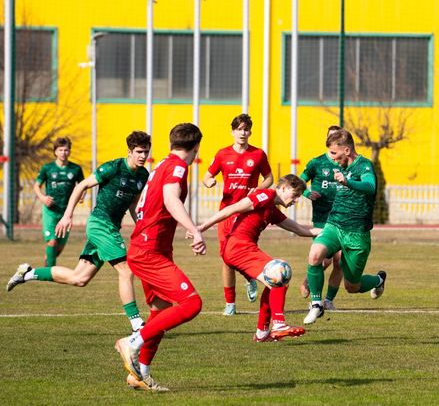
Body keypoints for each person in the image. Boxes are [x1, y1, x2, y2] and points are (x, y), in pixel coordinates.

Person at [7, 131, 151, 333]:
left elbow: (134, 204)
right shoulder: (114, 167)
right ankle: (137, 324)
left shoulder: (143, 175)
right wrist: (67, 215)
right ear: (130, 151)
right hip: (100, 224)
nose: (143, 156)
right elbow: (82, 185)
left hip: (111, 227)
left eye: (146, 152)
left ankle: (28, 273)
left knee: (79, 278)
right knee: (126, 271)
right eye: (139, 152)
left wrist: (141, 226)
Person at [115, 123, 206, 392]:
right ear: (196, 147)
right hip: (149, 251)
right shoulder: (178, 167)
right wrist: (194, 230)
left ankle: (140, 374)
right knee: (192, 304)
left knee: (160, 311)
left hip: (147, 247)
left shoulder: (162, 165)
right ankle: (132, 342)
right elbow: (170, 199)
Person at [196, 174, 320, 342]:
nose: (296, 200)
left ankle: (262, 333)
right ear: (283, 188)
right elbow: (231, 209)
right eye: (295, 195)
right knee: (279, 272)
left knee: (278, 282)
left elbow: (301, 230)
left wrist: (332, 231)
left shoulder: (272, 209)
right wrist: (201, 228)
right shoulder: (266, 195)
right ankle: (279, 324)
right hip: (238, 247)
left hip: (242, 248)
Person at [303, 128, 386, 325]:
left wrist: (348, 182)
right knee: (315, 255)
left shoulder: (364, 165)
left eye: (334, 153)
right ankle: (317, 305)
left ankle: (378, 280)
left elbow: (370, 186)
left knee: (352, 286)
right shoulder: (336, 165)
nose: (332, 158)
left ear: (347, 150)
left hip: (357, 233)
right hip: (334, 224)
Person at [203, 113, 273, 316]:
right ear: (232, 131)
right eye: (239, 129)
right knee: (226, 258)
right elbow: (207, 176)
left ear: (250, 132)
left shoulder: (258, 154)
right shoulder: (222, 154)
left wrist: (258, 189)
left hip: (247, 212)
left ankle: (248, 280)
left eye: (246, 129)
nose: (242, 133)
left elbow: (269, 178)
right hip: (226, 212)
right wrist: (209, 182)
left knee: (237, 254)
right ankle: (231, 303)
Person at [299, 125, 344, 311]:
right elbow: (300, 181)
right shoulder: (316, 163)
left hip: (343, 218)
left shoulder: (348, 163)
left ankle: (328, 300)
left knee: (340, 262)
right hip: (321, 219)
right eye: (331, 137)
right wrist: (307, 193)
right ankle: (310, 278)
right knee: (323, 260)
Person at [33, 137, 85, 267]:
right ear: (55, 151)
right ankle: (50, 272)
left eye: (66, 150)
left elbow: (83, 186)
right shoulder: (47, 168)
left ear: (69, 151)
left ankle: (47, 263)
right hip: (50, 211)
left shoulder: (75, 169)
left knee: (59, 247)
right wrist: (43, 198)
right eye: (60, 150)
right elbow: (36, 185)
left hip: (66, 213)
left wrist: (82, 196)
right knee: (52, 242)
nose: (63, 153)